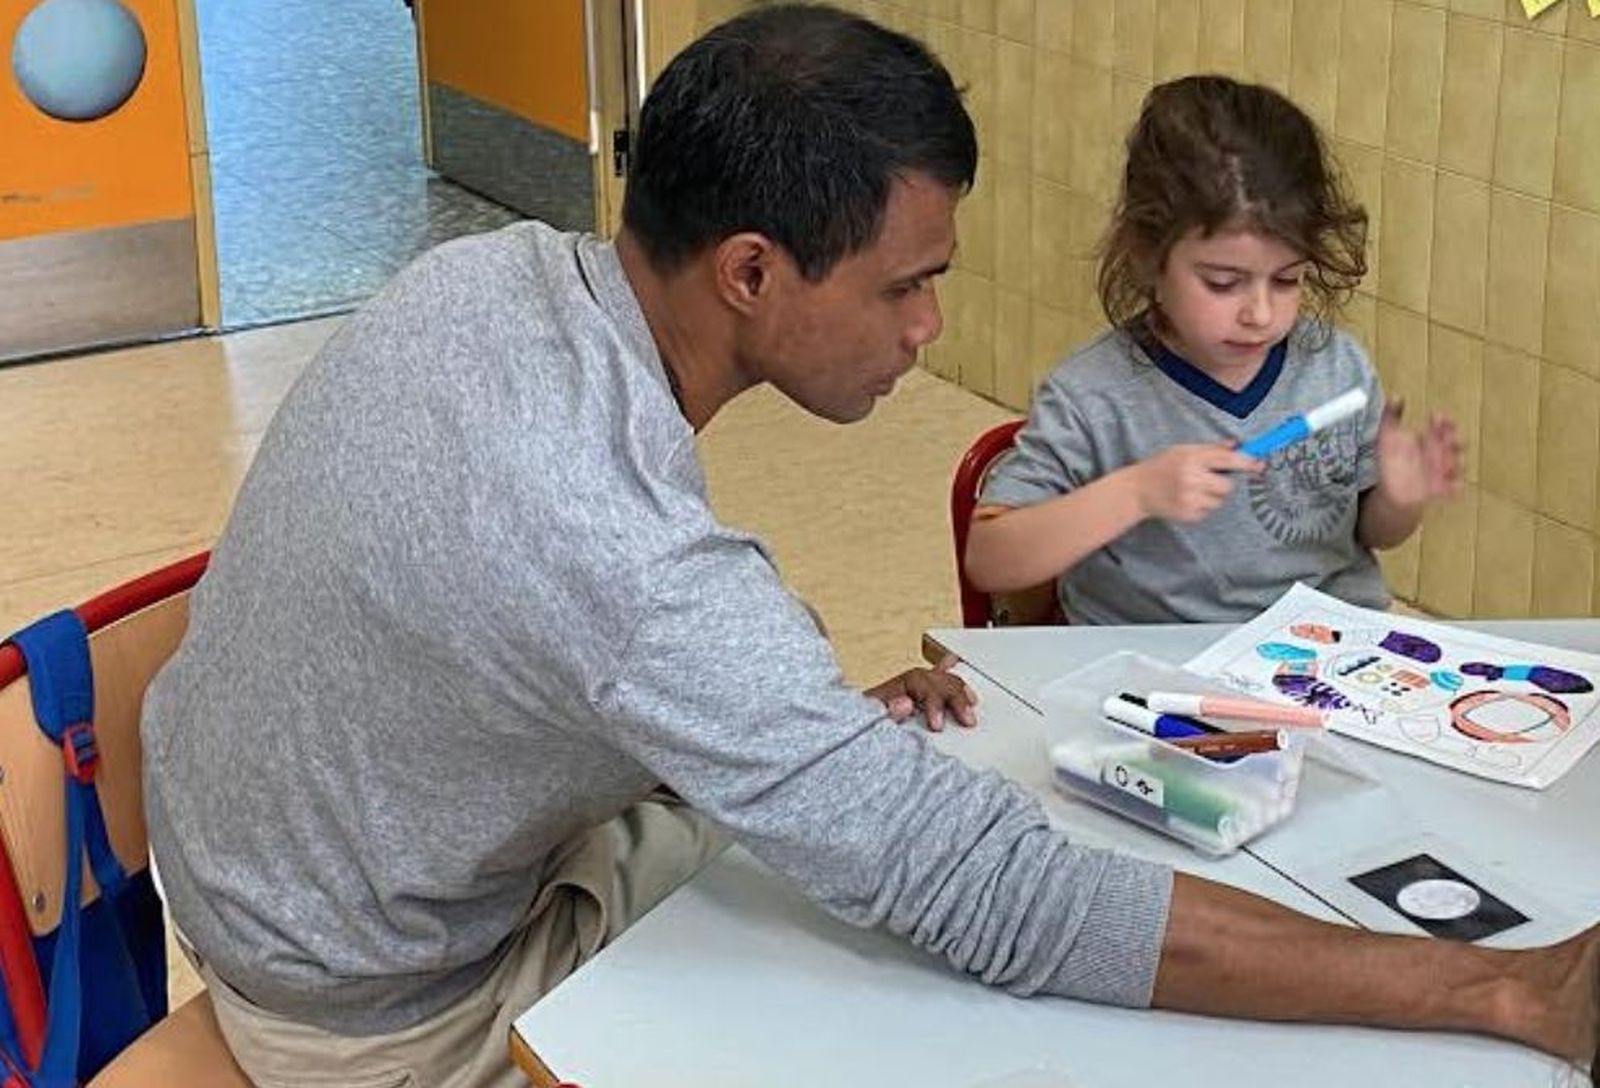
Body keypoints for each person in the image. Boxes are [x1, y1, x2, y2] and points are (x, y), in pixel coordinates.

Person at [141, 9, 1597, 1087]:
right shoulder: (624, 557)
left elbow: (515, 630)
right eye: (909, 288)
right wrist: (1500, 992)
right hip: (379, 1005)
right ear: (753, 272)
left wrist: (789, 733)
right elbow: (995, 898)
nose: (931, 331)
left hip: (275, 871)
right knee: (931, 1003)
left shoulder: (491, 275)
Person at [963, 75, 1463, 626]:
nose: (1261, 314)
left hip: (1323, 659)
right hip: (1156, 674)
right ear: (1149, 258)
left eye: (1287, 280)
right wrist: (1136, 492)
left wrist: (1401, 498)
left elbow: (1371, 534)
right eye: (1223, 283)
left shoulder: (1337, 368)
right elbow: (990, 559)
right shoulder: (1092, 397)